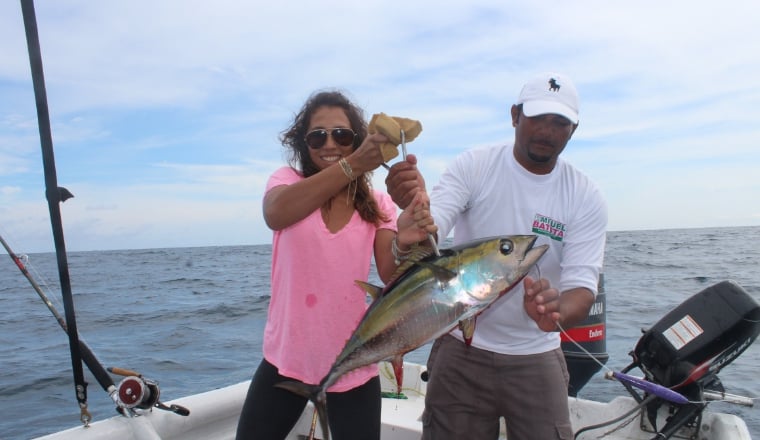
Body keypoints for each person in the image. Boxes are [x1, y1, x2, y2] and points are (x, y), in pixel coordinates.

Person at [385, 72, 608, 440]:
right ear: (514, 115)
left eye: (560, 123)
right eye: (537, 117)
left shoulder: (584, 195)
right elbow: (434, 225)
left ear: (573, 130)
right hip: (461, 349)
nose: (547, 131)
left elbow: (582, 288)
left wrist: (555, 313)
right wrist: (415, 218)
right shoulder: (476, 165)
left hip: (537, 355)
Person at [235, 90, 436, 440]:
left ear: (356, 139)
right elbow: (275, 213)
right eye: (318, 136)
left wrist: (407, 240)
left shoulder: (379, 205)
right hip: (286, 362)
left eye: (342, 135)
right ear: (303, 143)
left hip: (355, 363)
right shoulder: (286, 182)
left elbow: (391, 274)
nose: (330, 143)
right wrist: (355, 163)